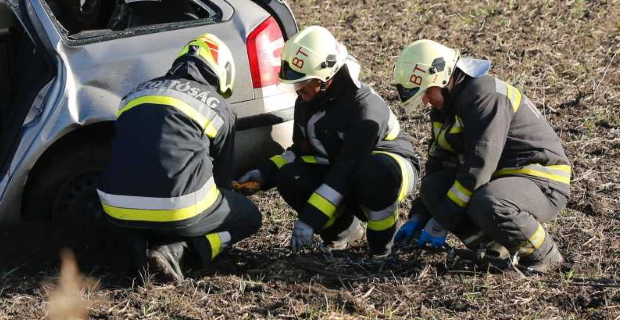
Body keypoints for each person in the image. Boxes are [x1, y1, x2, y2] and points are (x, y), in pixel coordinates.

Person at [236, 26, 420, 258]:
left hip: (387, 171)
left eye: (302, 81)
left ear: (326, 76)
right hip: (345, 172)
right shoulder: (308, 99)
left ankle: (383, 249)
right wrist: (264, 173)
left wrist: (309, 221)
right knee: (290, 177)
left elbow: (345, 171)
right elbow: (300, 152)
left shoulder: (365, 109)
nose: (296, 88)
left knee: (375, 174)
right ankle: (345, 234)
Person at [391, 40, 571, 272]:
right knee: (434, 188)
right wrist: (420, 215)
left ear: (443, 79)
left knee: (489, 202)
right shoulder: (444, 108)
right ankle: (495, 249)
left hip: (541, 181)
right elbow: (438, 164)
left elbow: (479, 166)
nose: (425, 100)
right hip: (498, 181)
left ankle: (544, 256)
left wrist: (441, 221)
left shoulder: (486, 96)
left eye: (426, 91)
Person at [98, 33, 262, 283]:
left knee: (148, 208)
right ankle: (180, 252)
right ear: (221, 72)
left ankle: (134, 247)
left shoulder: (133, 94)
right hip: (180, 211)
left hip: (116, 209)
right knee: (248, 216)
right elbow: (222, 178)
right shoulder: (217, 106)